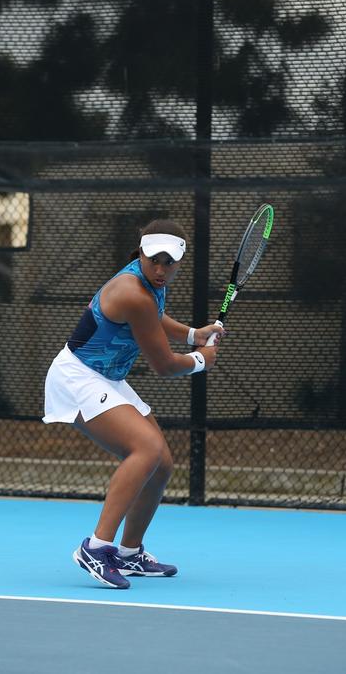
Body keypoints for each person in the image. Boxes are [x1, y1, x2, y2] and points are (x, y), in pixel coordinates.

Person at [42, 219, 224, 589]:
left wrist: (193, 334)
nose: (160, 269)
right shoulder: (131, 292)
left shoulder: (150, 286)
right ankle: (97, 547)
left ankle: (129, 553)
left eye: (168, 262)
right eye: (153, 259)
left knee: (162, 464)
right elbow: (165, 366)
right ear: (140, 252)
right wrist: (203, 359)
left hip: (106, 376)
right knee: (146, 448)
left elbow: (154, 319)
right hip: (77, 377)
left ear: (178, 261)